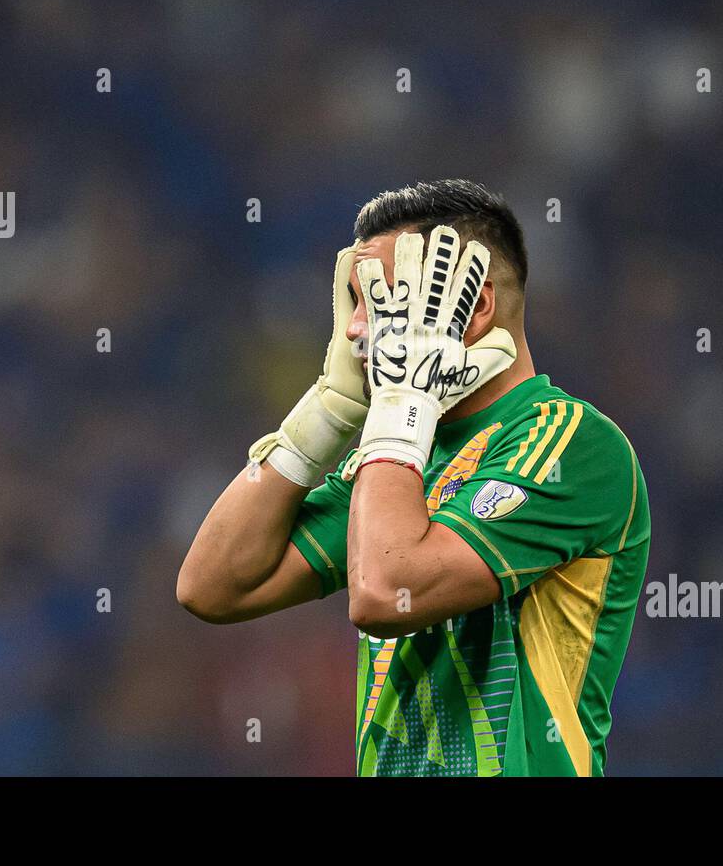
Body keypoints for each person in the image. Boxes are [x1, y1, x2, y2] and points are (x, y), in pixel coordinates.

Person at [177, 179, 651, 776]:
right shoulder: (401, 456)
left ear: (474, 307)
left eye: (386, 301)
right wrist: (323, 415)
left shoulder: (574, 445)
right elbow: (213, 586)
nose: (354, 331)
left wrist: (400, 407)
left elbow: (383, 593)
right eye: (355, 302)